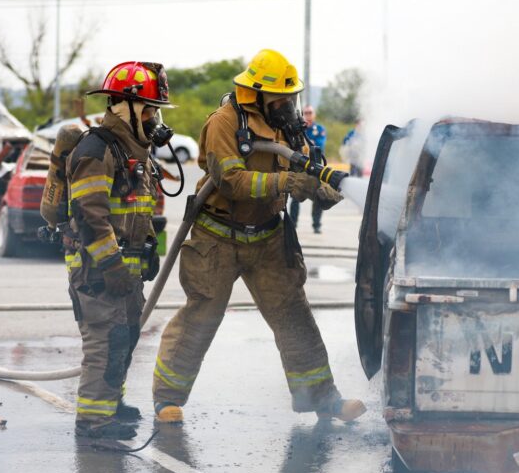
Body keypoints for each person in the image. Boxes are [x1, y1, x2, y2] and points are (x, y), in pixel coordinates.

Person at [152, 49, 366, 425]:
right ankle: (167, 399)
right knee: (202, 314)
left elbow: (304, 166)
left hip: (268, 237)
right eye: (281, 98)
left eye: (292, 97)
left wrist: (322, 188)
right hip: (217, 236)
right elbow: (230, 180)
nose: (289, 105)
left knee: (294, 316)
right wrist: (286, 181)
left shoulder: (285, 125)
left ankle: (323, 398)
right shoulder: (223, 122)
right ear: (255, 94)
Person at [65, 61, 171, 439]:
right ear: (124, 106)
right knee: (104, 341)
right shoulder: (96, 149)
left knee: (124, 337)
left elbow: (135, 210)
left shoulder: (133, 149)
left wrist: (147, 249)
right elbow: (90, 215)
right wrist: (111, 265)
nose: (154, 118)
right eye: (149, 109)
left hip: (127, 268)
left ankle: (112, 403)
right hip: (98, 269)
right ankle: (93, 419)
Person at [289, 105, 327, 233]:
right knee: (295, 196)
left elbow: (318, 146)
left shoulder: (320, 129)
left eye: (310, 112)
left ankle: (316, 225)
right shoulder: (298, 130)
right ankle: (293, 224)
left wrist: (305, 143)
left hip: (316, 167)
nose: (308, 115)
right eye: (306, 113)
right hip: (301, 167)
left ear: (314, 114)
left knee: (318, 197)